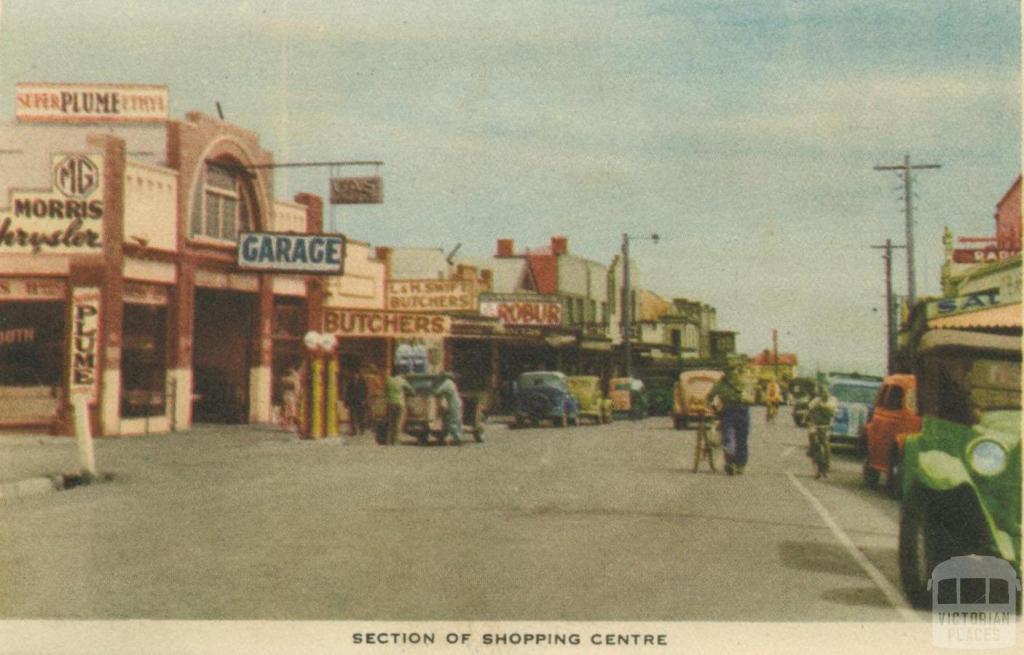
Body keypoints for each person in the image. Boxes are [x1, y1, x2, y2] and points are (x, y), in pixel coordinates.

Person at [706, 366, 751, 475]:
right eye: (730, 371)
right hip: (730, 412)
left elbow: (751, 395)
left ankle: (739, 465)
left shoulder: (742, 381)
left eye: (733, 371)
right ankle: (731, 463)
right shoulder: (720, 384)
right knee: (729, 438)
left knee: (740, 439)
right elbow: (709, 397)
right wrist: (713, 408)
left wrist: (713, 407)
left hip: (740, 412)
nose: (733, 373)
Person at [806, 385, 838, 479]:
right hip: (816, 424)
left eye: (825, 393)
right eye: (822, 393)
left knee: (825, 444)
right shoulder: (816, 400)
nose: (824, 395)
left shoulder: (832, 400)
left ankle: (827, 465)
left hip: (826, 425)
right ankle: (812, 449)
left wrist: (822, 406)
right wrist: (807, 419)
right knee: (811, 434)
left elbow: (832, 409)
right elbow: (809, 409)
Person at [384, 367, 413, 446]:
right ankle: (396, 441)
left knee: (391, 423)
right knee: (398, 423)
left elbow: (385, 391)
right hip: (400, 404)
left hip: (390, 403)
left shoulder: (388, 380)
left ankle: (389, 441)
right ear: (399, 373)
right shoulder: (401, 380)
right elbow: (411, 389)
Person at [433, 372, 464, 445]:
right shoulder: (449, 382)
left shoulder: (447, 383)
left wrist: (431, 387)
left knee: (453, 422)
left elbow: (437, 391)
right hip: (452, 402)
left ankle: (458, 439)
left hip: (454, 404)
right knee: (446, 420)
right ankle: (443, 436)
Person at [344, 368, 369, 436]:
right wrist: (346, 402)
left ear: (358, 375)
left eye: (356, 375)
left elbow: (366, 392)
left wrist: (364, 400)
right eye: (354, 375)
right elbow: (347, 392)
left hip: (360, 402)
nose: (355, 376)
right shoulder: (350, 382)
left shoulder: (362, 382)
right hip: (352, 402)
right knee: (352, 417)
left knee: (361, 417)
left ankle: (362, 429)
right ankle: (354, 430)